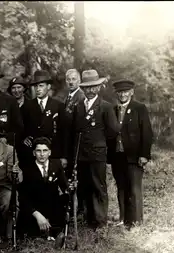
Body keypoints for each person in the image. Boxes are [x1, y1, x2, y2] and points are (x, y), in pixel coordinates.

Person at [70, 69, 119, 231]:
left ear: (99, 88)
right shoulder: (78, 106)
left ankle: (100, 221)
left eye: (94, 87)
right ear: (83, 89)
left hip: (97, 153)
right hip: (81, 154)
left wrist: (99, 140)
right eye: (87, 88)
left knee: (98, 185)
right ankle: (89, 217)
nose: (90, 91)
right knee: (85, 185)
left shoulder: (105, 107)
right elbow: (76, 129)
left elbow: (112, 131)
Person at [107, 79, 153, 228]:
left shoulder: (139, 108)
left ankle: (136, 221)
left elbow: (147, 132)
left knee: (134, 189)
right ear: (116, 94)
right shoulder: (113, 110)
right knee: (121, 187)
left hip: (134, 157)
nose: (123, 94)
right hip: (117, 156)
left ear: (131, 92)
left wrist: (144, 155)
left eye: (126, 91)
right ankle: (123, 219)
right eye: (120, 92)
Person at [19, 137, 71, 241]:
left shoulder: (56, 165)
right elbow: (23, 197)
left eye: (45, 151)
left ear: (50, 152)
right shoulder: (27, 169)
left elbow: (65, 187)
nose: (42, 154)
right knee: (30, 232)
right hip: (35, 209)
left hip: (52, 207)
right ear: (34, 153)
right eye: (38, 151)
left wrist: (71, 187)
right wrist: (37, 215)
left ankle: (55, 231)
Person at [21, 70, 67, 168]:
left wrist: (64, 156)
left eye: (41, 86)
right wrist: (24, 138)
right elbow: (20, 127)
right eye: (36, 86)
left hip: (53, 152)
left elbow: (64, 132)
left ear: (48, 87)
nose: (38, 89)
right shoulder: (27, 106)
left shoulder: (58, 106)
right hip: (32, 153)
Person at [61, 68, 87, 218]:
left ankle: (80, 209)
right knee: (70, 176)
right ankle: (73, 207)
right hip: (68, 143)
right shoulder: (69, 97)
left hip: (77, 144)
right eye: (68, 79)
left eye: (73, 79)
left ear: (79, 81)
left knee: (78, 177)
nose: (71, 82)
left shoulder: (81, 97)